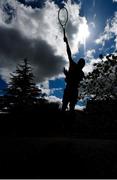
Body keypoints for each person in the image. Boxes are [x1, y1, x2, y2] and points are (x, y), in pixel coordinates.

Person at [62, 29, 85, 112]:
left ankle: (67, 122)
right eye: (81, 63)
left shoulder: (80, 72)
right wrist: (67, 43)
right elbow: (69, 53)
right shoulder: (79, 71)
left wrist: (67, 75)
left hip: (71, 90)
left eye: (81, 63)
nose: (80, 64)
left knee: (67, 108)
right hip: (71, 90)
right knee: (67, 108)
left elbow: (73, 80)